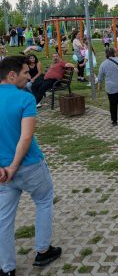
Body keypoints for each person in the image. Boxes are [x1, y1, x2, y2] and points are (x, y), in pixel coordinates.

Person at [0, 56, 62, 272]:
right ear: (11, 75)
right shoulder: (25, 98)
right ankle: (43, 251)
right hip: (29, 166)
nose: (29, 77)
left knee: (4, 219)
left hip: (3, 173)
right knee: (44, 201)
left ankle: (7, 267)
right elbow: (26, 137)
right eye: (25, 73)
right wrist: (14, 166)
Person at [98, 48, 118, 126]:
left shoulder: (103, 64)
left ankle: (114, 120)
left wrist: (99, 85)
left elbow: (100, 76)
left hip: (111, 87)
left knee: (113, 104)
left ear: (106, 54)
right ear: (114, 53)